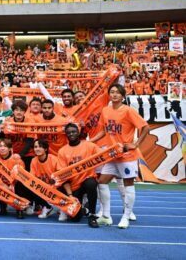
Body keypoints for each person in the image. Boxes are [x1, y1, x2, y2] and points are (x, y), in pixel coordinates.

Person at [92, 84, 149, 229]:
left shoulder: (128, 110)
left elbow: (145, 127)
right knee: (102, 182)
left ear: (123, 95)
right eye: (112, 92)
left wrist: (136, 144)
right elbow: (104, 131)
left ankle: (126, 216)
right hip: (112, 155)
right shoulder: (105, 110)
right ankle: (106, 216)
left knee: (128, 185)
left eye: (117, 92)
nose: (114, 94)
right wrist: (89, 142)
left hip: (127, 155)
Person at [57, 123, 100, 228]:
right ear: (66, 134)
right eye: (68, 132)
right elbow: (63, 177)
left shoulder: (89, 145)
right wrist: (70, 195)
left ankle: (92, 215)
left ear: (78, 132)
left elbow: (103, 156)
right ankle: (84, 209)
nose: (71, 134)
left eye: (74, 132)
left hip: (87, 180)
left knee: (91, 183)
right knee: (75, 219)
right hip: (74, 186)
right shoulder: (62, 151)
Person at [29, 139, 61, 219]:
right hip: (43, 188)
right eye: (35, 147)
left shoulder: (54, 159)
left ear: (46, 149)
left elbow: (61, 177)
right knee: (29, 186)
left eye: (40, 147)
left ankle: (63, 209)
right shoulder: (33, 161)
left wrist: (53, 184)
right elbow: (32, 177)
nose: (37, 149)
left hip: (56, 187)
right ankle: (47, 207)